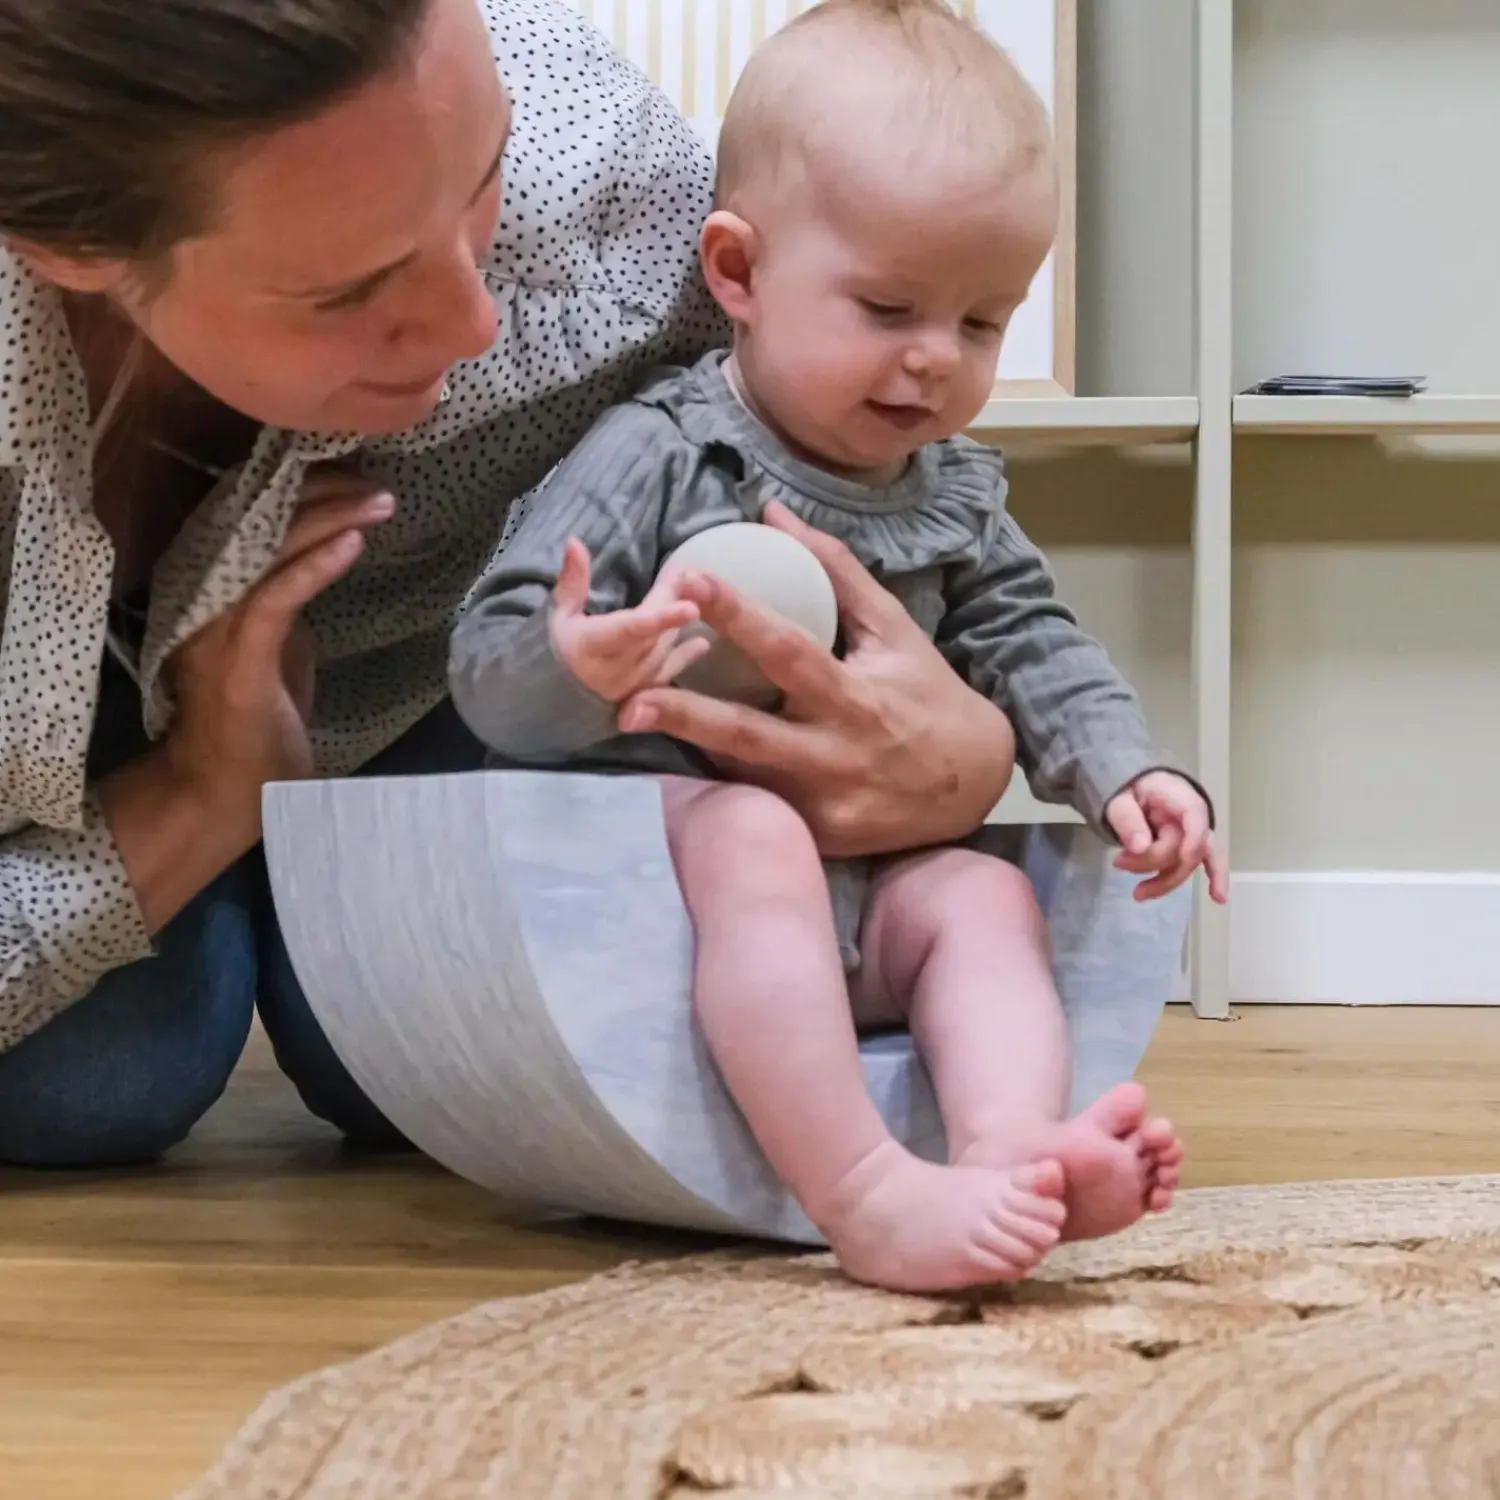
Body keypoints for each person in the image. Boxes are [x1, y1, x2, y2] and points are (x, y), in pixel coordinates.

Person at [0, 0, 1048, 1168]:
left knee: (415, 1066)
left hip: (426, 673)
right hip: (60, 751)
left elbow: (854, 408)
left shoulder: (596, 172)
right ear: (64, 244)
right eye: (350, 290)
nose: (475, 322)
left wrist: (968, 743)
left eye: (480, 180)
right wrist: (204, 793)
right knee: (100, 1080)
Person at [450, 0, 1228, 1292]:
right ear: (738, 274)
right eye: (887, 306)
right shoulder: (659, 452)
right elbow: (490, 666)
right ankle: (863, 1190)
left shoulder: (955, 493)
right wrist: (575, 662)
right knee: (752, 830)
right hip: (672, 907)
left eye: (981, 324)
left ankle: (1010, 1155)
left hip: (868, 892)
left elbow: (1036, 643)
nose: (933, 362)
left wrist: (1129, 771)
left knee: (978, 894)